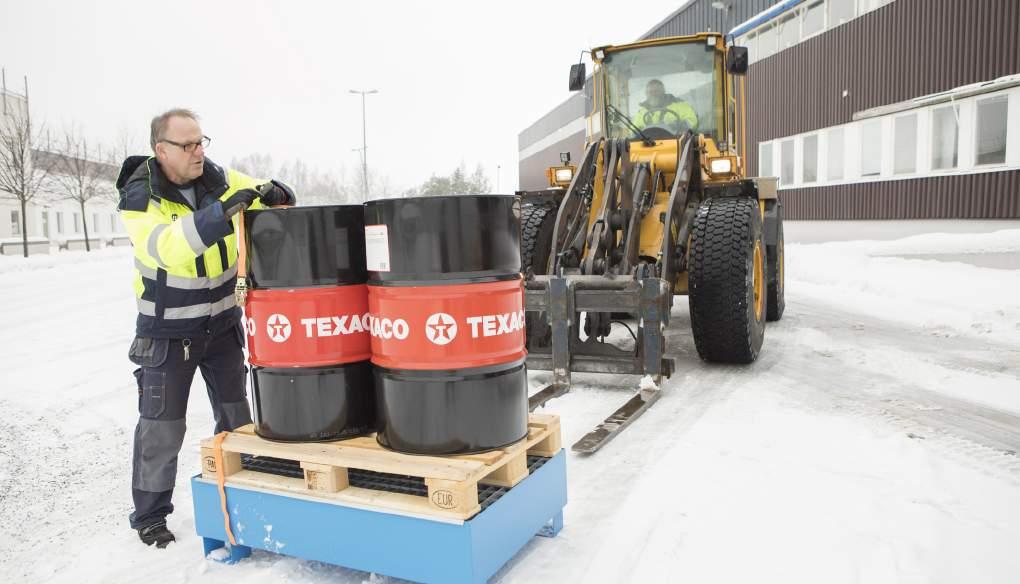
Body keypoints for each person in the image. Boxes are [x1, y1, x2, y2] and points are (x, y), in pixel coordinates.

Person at [116, 108, 295, 548]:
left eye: (201, 141)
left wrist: (274, 192)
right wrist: (220, 214)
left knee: (237, 416)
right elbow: (167, 247)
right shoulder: (140, 198)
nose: (199, 152)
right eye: (188, 145)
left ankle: (250, 489)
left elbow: (253, 191)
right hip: (167, 334)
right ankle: (150, 516)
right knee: (162, 429)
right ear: (162, 151)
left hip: (220, 327)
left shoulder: (216, 178)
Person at [633, 79, 698, 133]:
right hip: (649, 144)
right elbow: (633, 130)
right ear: (646, 94)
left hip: (677, 142)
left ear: (663, 91)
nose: (653, 94)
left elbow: (692, 121)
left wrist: (676, 125)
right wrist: (642, 131)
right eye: (650, 92)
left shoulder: (680, 106)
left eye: (656, 91)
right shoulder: (641, 112)